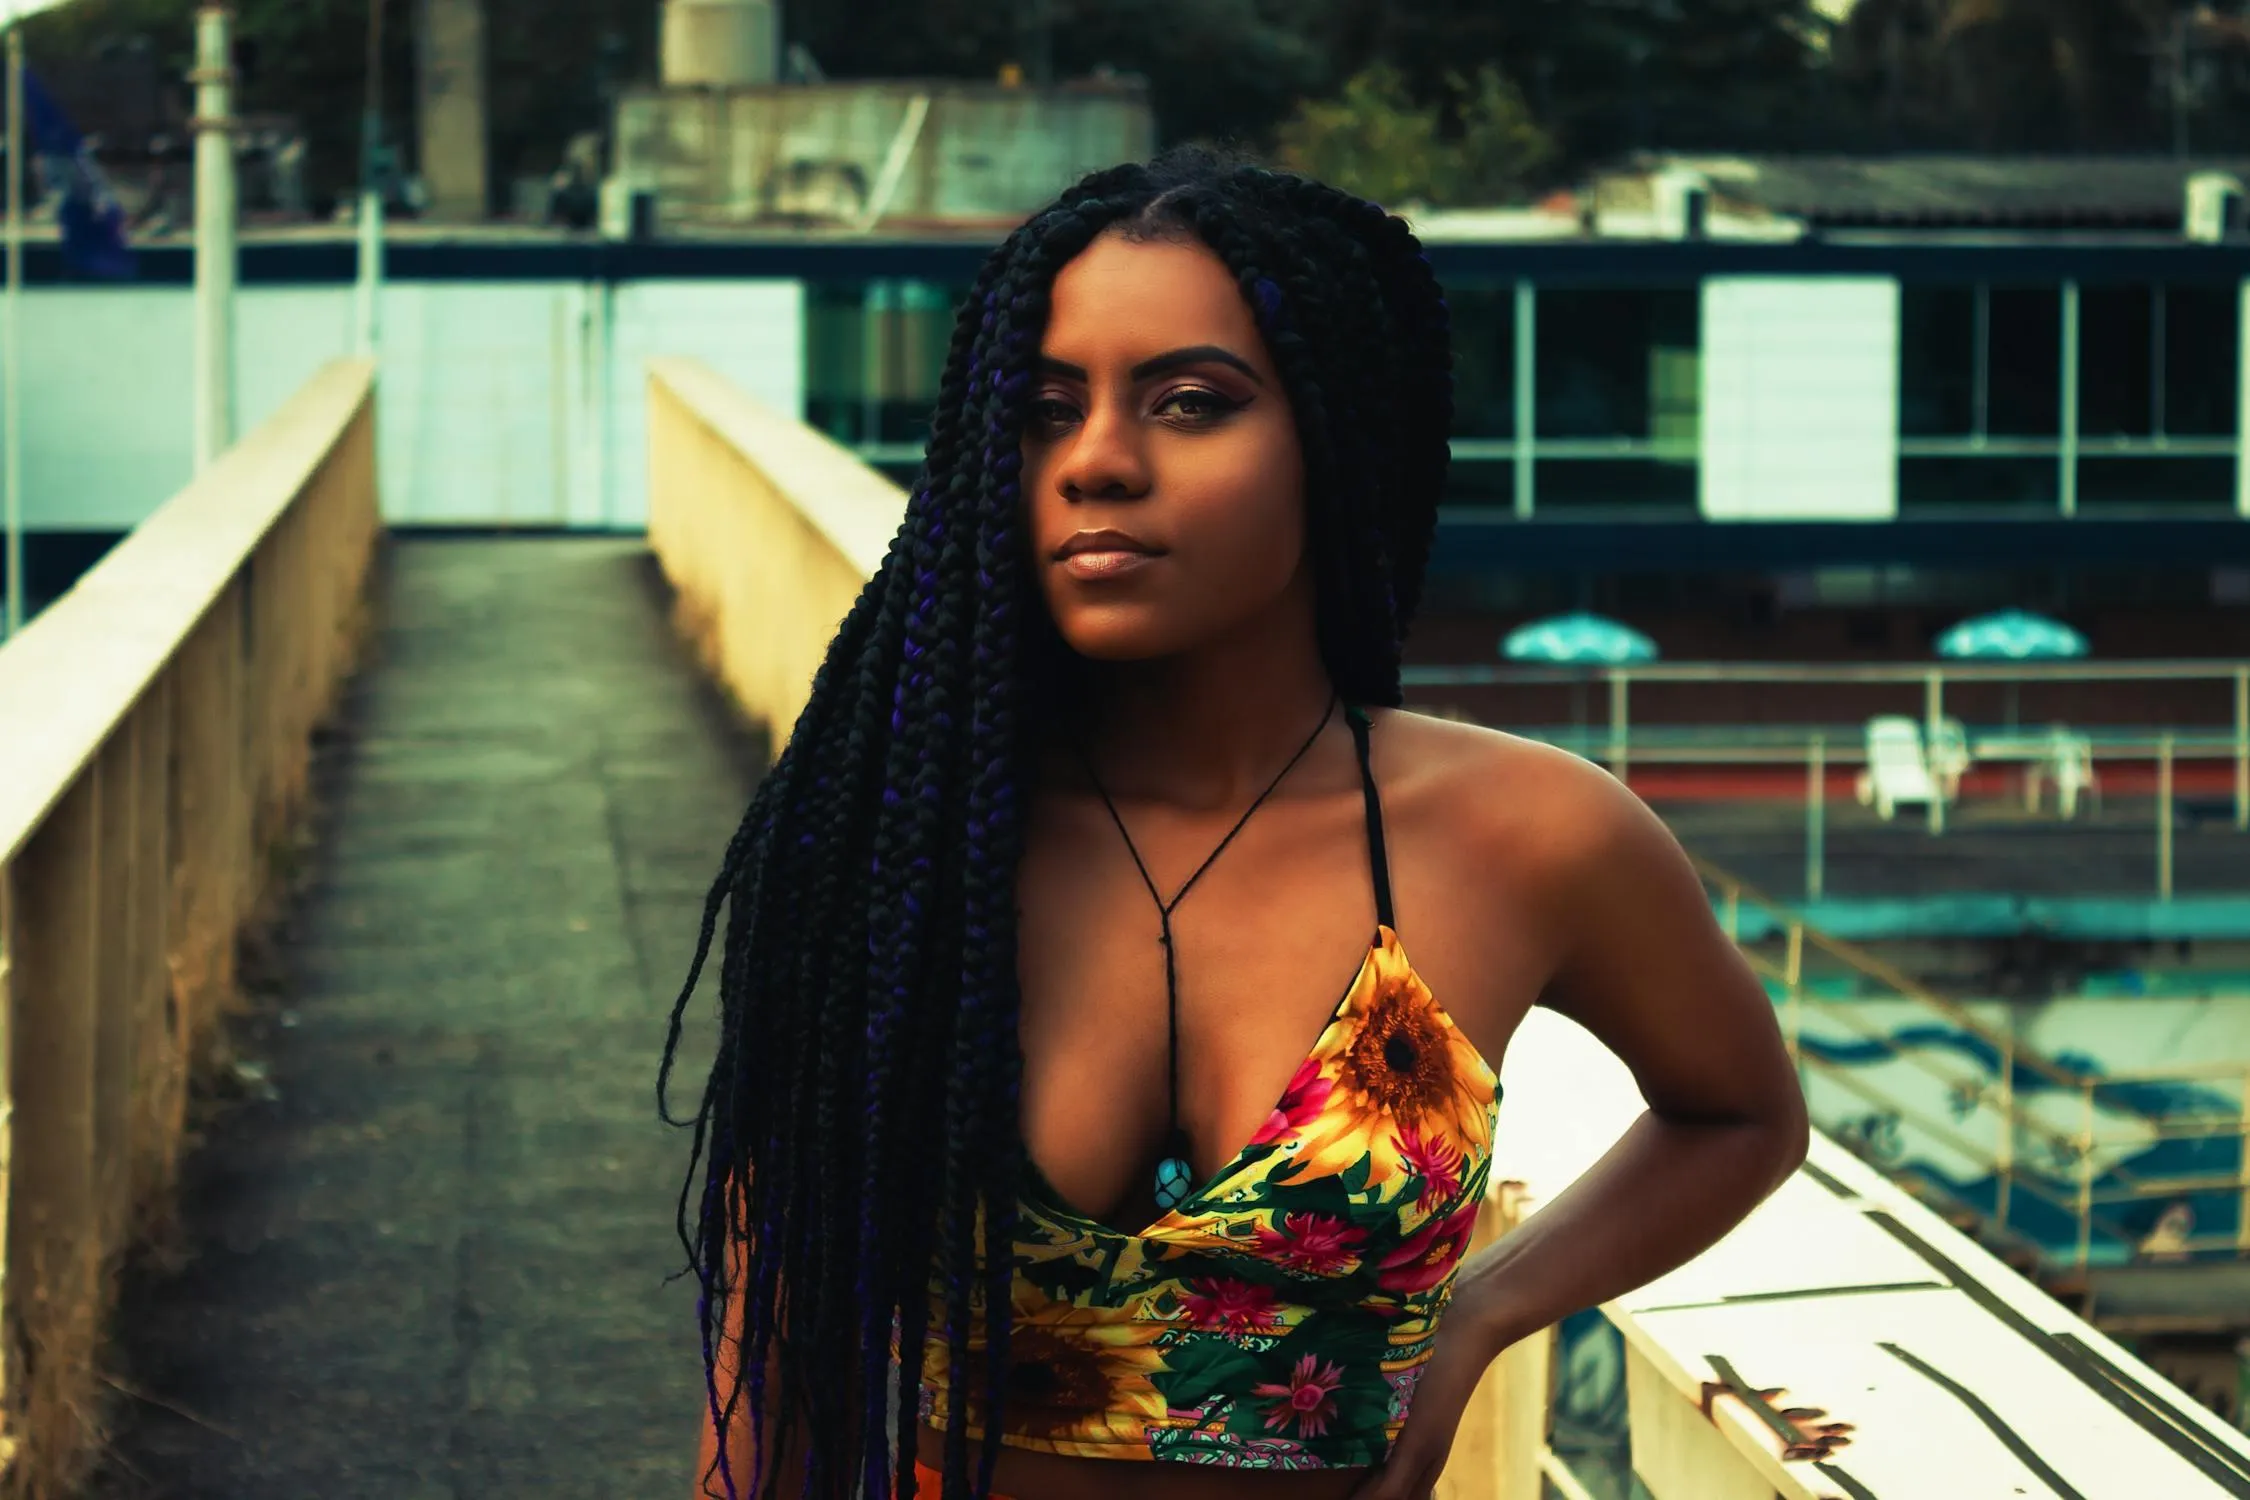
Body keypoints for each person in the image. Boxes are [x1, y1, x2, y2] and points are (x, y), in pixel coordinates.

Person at [660, 147, 1808, 1500]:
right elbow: (770, 1370)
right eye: (1041, 407)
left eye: (1189, 402)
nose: (1094, 463)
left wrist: (1484, 1309)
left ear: (1334, 436)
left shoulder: (1527, 835)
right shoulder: (901, 845)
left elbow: (1739, 1114)